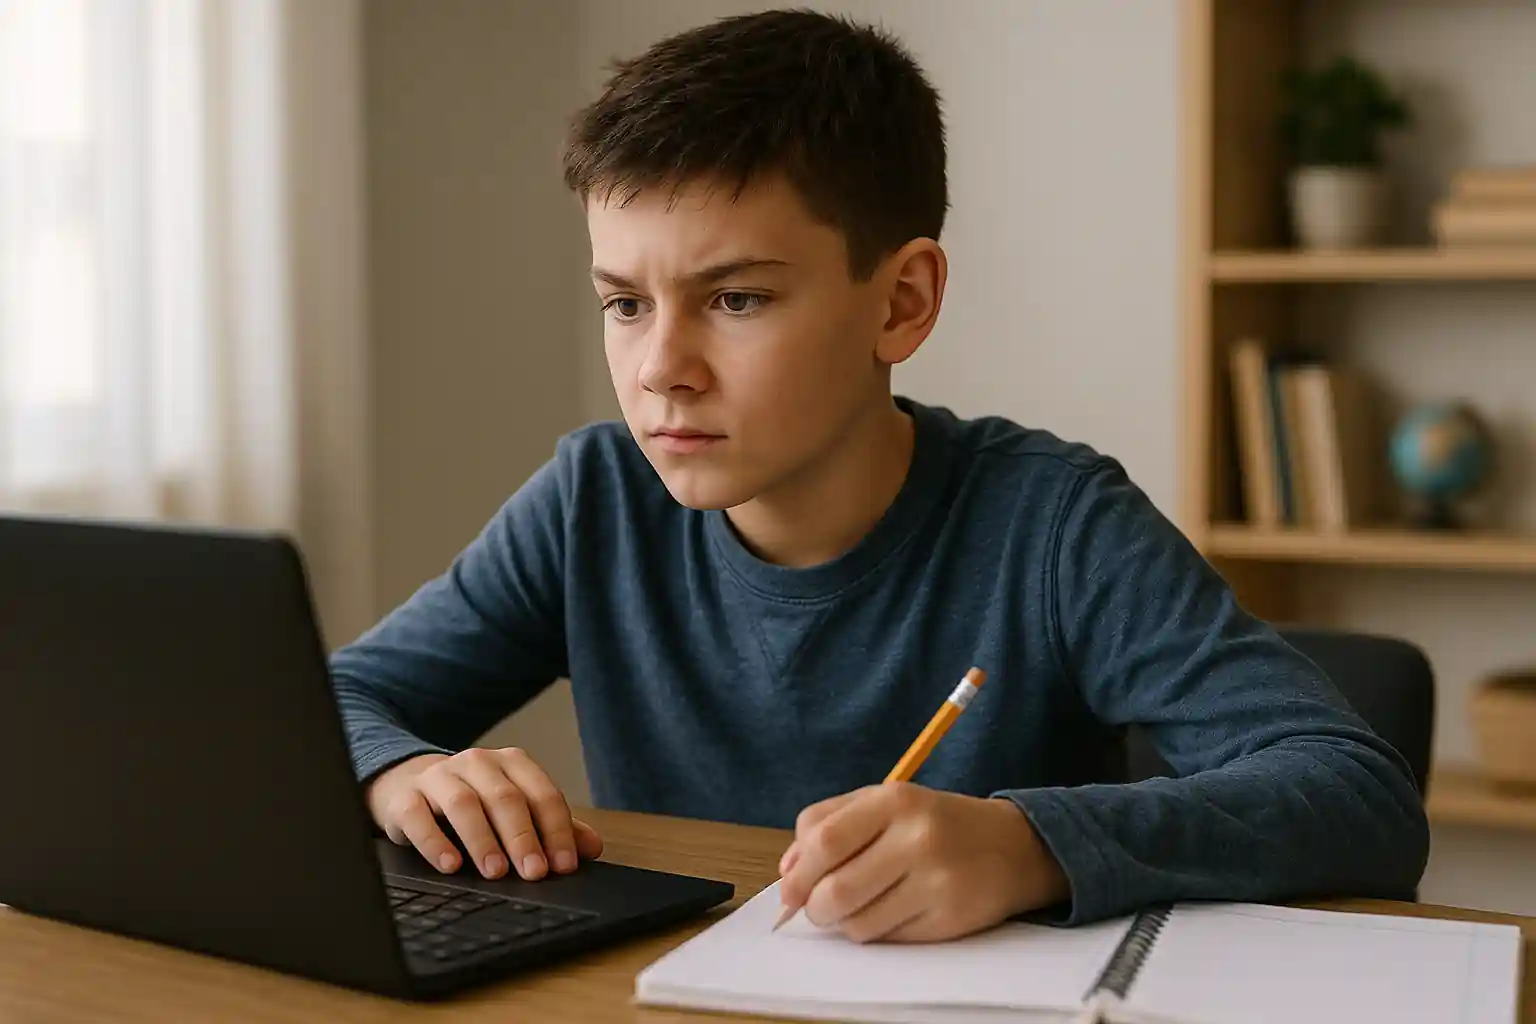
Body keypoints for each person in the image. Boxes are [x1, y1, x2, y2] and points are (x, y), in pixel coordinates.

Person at [330, 9, 1428, 944]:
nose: (661, 368)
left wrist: (1031, 844)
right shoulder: (594, 500)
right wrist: (400, 771)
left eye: (737, 298)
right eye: (625, 302)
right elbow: (334, 698)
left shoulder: (1051, 522)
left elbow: (1356, 792)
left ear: (900, 302)